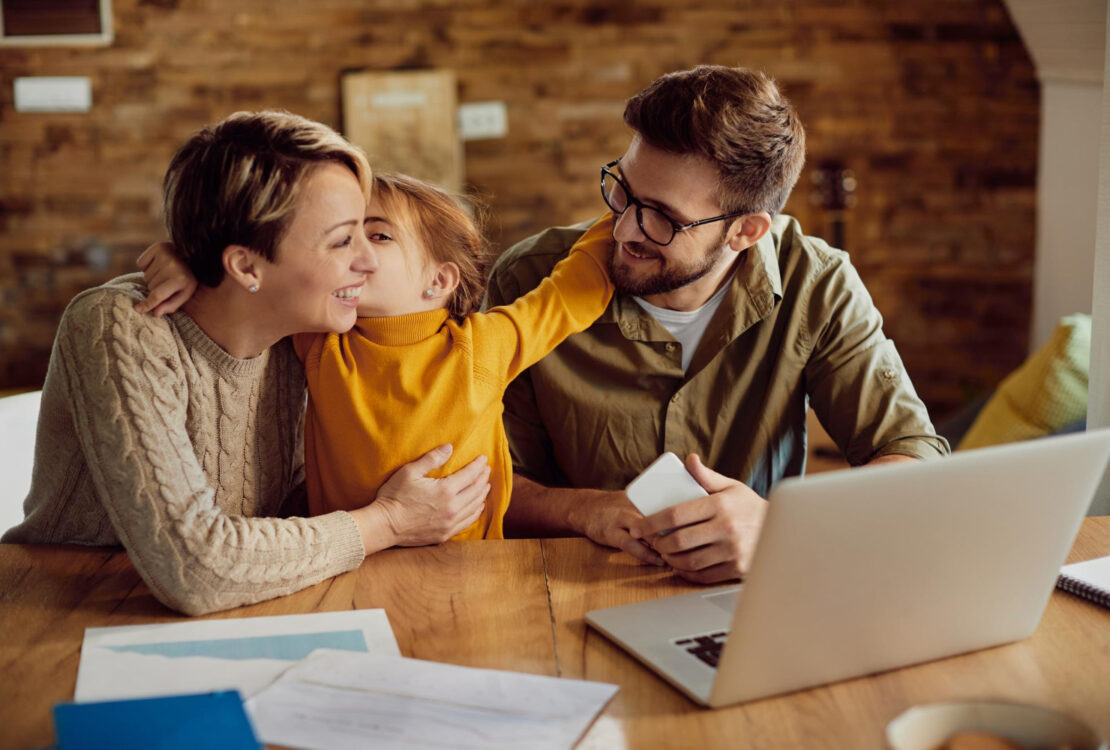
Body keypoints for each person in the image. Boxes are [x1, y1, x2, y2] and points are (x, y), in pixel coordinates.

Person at [2, 111, 492, 615]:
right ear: (244, 265)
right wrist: (388, 521)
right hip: (63, 613)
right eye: (343, 240)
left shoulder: (301, 333)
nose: (368, 262)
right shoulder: (119, 326)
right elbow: (195, 568)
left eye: (371, 236)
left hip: (246, 607)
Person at [483, 65, 950, 584]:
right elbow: (482, 483)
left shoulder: (817, 283)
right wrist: (583, 510)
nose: (624, 229)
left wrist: (777, 526)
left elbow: (912, 458)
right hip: (563, 588)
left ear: (745, 231)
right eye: (623, 191)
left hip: (753, 591)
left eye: (663, 217)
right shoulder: (527, 278)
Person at [137, 172, 615, 539]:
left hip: (471, 567)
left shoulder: (486, 345)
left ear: (439, 280)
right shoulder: (322, 339)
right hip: (347, 560)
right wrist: (185, 260)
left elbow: (572, 290)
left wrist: (626, 210)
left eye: (379, 236)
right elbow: (252, 283)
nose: (356, 253)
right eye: (344, 238)